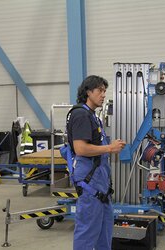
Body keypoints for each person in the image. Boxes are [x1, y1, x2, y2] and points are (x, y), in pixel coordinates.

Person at [67, 75, 126, 250]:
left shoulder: (92, 116)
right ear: (88, 91)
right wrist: (110, 148)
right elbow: (81, 149)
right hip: (90, 184)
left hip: (100, 184)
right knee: (87, 234)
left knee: (104, 232)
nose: (103, 95)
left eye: (104, 91)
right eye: (100, 90)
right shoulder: (80, 115)